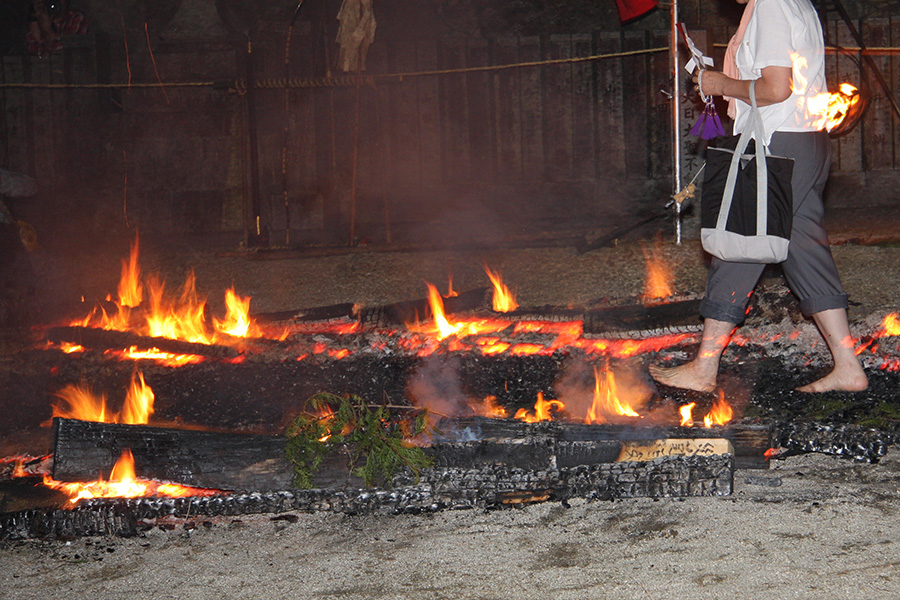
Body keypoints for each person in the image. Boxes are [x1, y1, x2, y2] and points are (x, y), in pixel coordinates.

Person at [650, 0, 868, 393]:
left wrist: (719, 85)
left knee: (739, 246)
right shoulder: (794, 3)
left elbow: (775, 88)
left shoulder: (769, 5)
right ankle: (849, 368)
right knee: (805, 250)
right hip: (805, 142)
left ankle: (704, 367)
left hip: (777, 143)